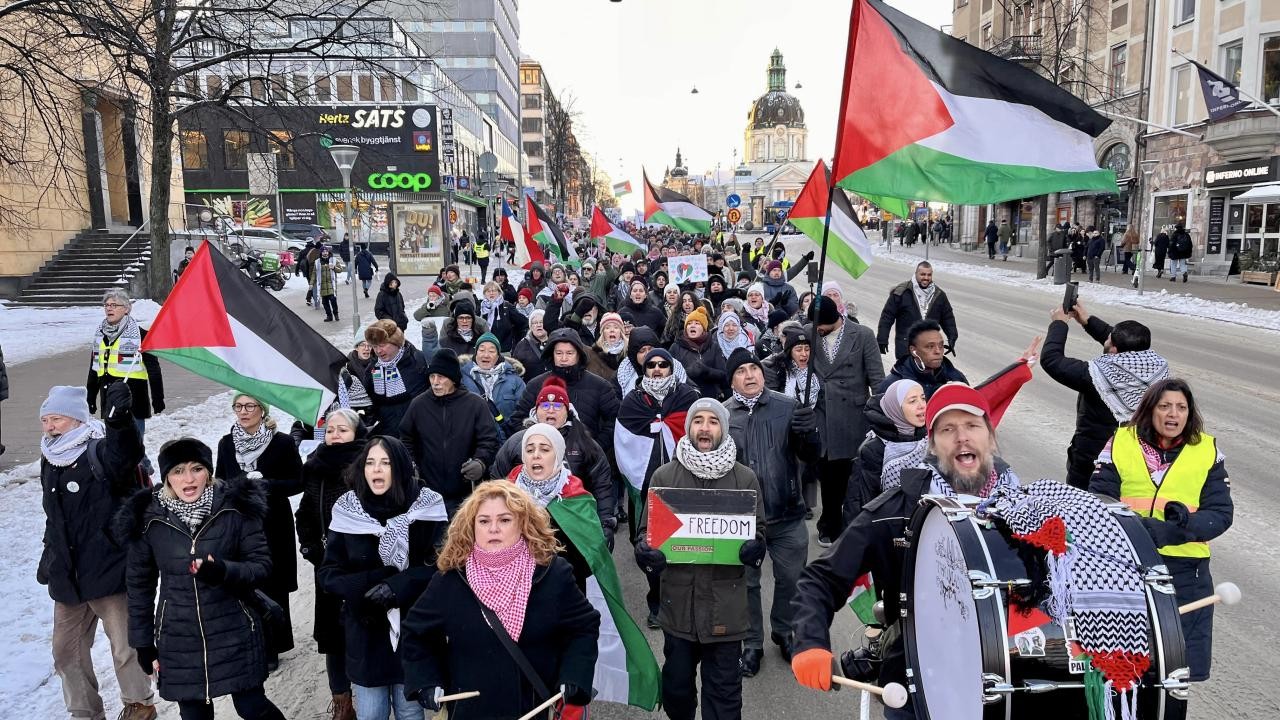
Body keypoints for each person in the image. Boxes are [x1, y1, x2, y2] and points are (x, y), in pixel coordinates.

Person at [790, 385, 1023, 719]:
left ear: (990, 435)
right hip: (918, 686)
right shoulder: (898, 509)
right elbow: (821, 578)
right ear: (932, 445)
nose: (961, 438)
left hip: (1010, 681)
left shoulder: (1028, 509)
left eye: (972, 426)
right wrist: (810, 642)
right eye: (947, 429)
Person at [400, 481, 600, 720]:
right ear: (471, 526)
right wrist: (427, 681)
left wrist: (573, 675)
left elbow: (583, 628)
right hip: (470, 711)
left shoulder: (554, 574)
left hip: (533, 707)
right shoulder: (451, 580)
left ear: (523, 524)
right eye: (484, 521)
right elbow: (415, 633)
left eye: (505, 520)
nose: (493, 528)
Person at [116, 438, 284, 720]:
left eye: (196, 468)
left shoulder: (236, 508)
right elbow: (139, 586)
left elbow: (261, 566)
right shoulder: (149, 518)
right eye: (178, 471)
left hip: (234, 627)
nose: (188, 478)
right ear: (167, 476)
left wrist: (222, 571)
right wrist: (142, 643)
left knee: (252, 707)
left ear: (209, 471)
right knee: (195, 715)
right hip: (179, 638)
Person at [1090, 378, 1232, 681]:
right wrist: (1141, 530)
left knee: (1174, 670)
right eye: (1165, 406)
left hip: (1185, 572)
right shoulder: (1120, 442)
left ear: (1189, 413)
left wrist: (1177, 530)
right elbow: (1099, 499)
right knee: (1120, 664)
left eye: (1181, 407)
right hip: (1126, 567)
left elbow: (1220, 514)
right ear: (1150, 409)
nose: (1173, 414)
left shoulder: (1207, 451)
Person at [635, 399, 766, 720]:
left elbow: (759, 530)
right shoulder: (664, 475)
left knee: (724, 694)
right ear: (689, 427)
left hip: (726, 609)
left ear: (723, 429)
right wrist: (645, 552)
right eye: (698, 421)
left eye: (713, 421)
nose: (704, 427)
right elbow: (644, 532)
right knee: (677, 689)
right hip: (678, 605)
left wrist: (756, 547)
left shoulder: (744, 478)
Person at [40, 384, 157, 720]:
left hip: (109, 566)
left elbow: (125, 455)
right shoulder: (50, 457)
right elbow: (54, 515)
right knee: (65, 652)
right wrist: (49, 555)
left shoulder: (98, 450)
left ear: (77, 419)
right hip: (68, 572)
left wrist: (120, 420)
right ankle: (85, 712)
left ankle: (140, 706)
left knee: (125, 647)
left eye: (57, 419)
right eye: (45, 419)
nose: (49, 426)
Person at [318, 436, 448, 720]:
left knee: (409, 711)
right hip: (366, 632)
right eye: (370, 462)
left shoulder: (428, 507)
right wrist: (370, 584)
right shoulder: (347, 510)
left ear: (400, 467)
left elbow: (444, 567)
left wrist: (398, 585)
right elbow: (328, 574)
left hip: (414, 630)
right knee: (371, 713)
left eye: (385, 463)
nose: (376, 469)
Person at [722, 350, 818, 678]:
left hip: (787, 512)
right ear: (731, 379)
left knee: (791, 578)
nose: (750, 375)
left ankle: (784, 630)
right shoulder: (722, 415)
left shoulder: (788, 406)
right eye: (741, 372)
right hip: (743, 520)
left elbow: (810, 457)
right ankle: (752, 644)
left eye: (754, 369)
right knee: (746, 584)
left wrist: (809, 433)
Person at [1041, 300, 1168, 489]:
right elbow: (1121, 343)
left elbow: (1052, 360)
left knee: (1084, 508)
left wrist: (1059, 323)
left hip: (1092, 461)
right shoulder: (1157, 369)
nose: (1106, 339)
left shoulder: (1098, 377)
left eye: (1109, 339)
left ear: (1114, 349)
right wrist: (1087, 321)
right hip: (1138, 457)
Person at [215, 393, 303, 663]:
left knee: (272, 581)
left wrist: (268, 486)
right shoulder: (227, 443)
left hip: (273, 521)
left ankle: (273, 647)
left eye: (250, 406)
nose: (243, 411)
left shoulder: (283, 443)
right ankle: (249, 642)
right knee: (244, 580)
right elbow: (220, 478)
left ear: (262, 411)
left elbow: (298, 481)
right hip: (239, 523)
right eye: (238, 406)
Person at [615, 348, 701, 625]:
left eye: (663, 364)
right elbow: (624, 441)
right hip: (650, 487)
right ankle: (657, 603)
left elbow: (702, 433)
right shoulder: (634, 402)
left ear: (671, 368)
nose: (657, 369)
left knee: (688, 547)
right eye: (651, 365)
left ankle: (688, 601)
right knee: (654, 549)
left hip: (686, 486)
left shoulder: (688, 397)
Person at [297, 409, 367, 720]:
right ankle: (342, 702)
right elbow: (305, 510)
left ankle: (370, 694)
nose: (335, 435)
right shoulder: (315, 466)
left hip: (363, 565)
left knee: (363, 629)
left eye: (343, 430)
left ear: (357, 434)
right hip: (327, 565)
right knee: (332, 636)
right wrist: (310, 544)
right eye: (330, 430)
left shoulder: (368, 464)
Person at [491, 377, 616, 539]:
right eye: (545, 405)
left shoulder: (585, 443)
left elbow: (602, 484)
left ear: (567, 411)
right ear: (535, 411)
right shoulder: (517, 442)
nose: (551, 410)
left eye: (557, 405)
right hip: (526, 525)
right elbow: (496, 482)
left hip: (574, 525)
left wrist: (605, 522)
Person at [806, 297, 884, 546]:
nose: (818, 330)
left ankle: (852, 525)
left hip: (853, 417)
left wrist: (879, 419)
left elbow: (877, 380)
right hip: (822, 414)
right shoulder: (809, 332)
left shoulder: (862, 335)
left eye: (823, 327)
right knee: (827, 476)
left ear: (835, 320)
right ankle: (829, 523)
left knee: (849, 476)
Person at [399, 348, 500, 517]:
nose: (435, 382)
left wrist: (480, 462)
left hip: (465, 492)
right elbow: (405, 439)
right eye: (432, 376)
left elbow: (489, 440)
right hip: (426, 492)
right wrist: (411, 465)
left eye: (441, 377)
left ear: (453, 379)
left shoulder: (475, 404)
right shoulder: (418, 405)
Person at [505, 328, 620, 450]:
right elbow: (517, 420)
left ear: (578, 355)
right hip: (543, 458)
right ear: (552, 355)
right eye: (559, 353)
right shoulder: (535, 385)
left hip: (586, 459)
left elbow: (614, 421)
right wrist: (535, 444)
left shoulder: (600, 385)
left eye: (569, 353)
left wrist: (595, 447)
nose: (563, 358)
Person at [86, 288, 165, 445]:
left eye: (114, 305)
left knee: (134, 445)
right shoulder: (100, 335)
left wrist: (158, 398)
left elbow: (154, 369)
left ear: (127, 308)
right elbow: (94, 368)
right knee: (115, 447)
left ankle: (143, 468)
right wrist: (90, 397)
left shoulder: (140, 335)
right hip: (110, 400)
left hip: (134, 400)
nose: (109, 308)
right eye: (106, 305)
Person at [847, 379, 926, 523]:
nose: (921, 406)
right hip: (886, 526)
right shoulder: (874, 449)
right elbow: (860, 502)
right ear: (895, 407)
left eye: (923, 398)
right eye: (912, 401)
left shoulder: (929, 440)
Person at [876, 261, 958, 360]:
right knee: (906, 375)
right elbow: (887, 316)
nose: (926, 278)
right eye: (923, 274)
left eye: (929, 275)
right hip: (906, 348)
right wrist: (882, 339)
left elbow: (948, 318)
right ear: (916, 274)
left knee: (929, 374)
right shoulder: (901, 292)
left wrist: (952, 337)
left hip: (930, 349)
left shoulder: (939, 295)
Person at [362, 320, 431, 436]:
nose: (378, 351)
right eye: (374, 346)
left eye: (382, 345)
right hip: (386, 433)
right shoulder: (373, 368)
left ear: (396, 342)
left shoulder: (416, 361)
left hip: (415, 431)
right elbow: (369, 402)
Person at [878, 319, 968, 398]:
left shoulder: (956, 377)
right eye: (930, 346)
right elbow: (877, 414)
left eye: (941, 345)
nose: (938, 351)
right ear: (913, 350)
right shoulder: (894, 384)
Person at [460, 333, 526, 440]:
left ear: (498, 356)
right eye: (481, 350)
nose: (486, 355)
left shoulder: (515, 380)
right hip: (472, 442)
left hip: (505, 441)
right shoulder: (462, 378)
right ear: (475, 353)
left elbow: (523, 412)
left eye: (491, 351)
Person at [671, 307, 728, 400]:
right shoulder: (676, 347)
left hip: (711, 397)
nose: (692, 326)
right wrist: (687, 373)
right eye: (689, 323)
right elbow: (669, 374)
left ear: (703, 328)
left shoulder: (714, 346)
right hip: (684, 397)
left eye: (697, 323)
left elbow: (723, 376)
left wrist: (707, 371)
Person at [477, 281, 528, 352]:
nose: (491, 293)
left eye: (494, 290)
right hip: (484, 351)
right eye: (488, 291)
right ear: (484, 293)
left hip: (504, 351)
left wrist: (517, 342)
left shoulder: (507, 307)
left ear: (499, 292)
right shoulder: (481, 308)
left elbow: (524, 322)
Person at [586, 311, 628, 383]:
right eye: (607, 328)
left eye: (616, 327)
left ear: (621, 332)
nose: (612, 330)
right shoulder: (594, 354)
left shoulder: (629, 352)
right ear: (603, 333)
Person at [412, 285, 451, 360]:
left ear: (439, 296)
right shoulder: (426, 305)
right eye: (430, 296)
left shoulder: (446, 305)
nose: (432, 298)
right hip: (430, 334)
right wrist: (426, 309)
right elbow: (416, 316)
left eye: (434, 295)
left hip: (443, 334)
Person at [512, 308, 550, 380]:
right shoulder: (522, 345)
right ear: (531, 326)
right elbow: (516, 370)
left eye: (541, 322)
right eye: (535, 323)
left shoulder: (555, 342)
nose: (539, 325)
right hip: (531, 387)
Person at [314, 246, 347, 322]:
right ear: (321, 252)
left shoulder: (334, 260)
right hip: (322, 285)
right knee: (325, 302)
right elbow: (314, 273)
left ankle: (336, 314)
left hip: (331, 284)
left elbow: (340, 270)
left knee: (333, 300)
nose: (325, 253)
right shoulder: (317, 262)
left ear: (328, 252)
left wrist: (334, 267)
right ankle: (329, 316)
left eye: (326, 251)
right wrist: (311, 284)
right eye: (323, 251)